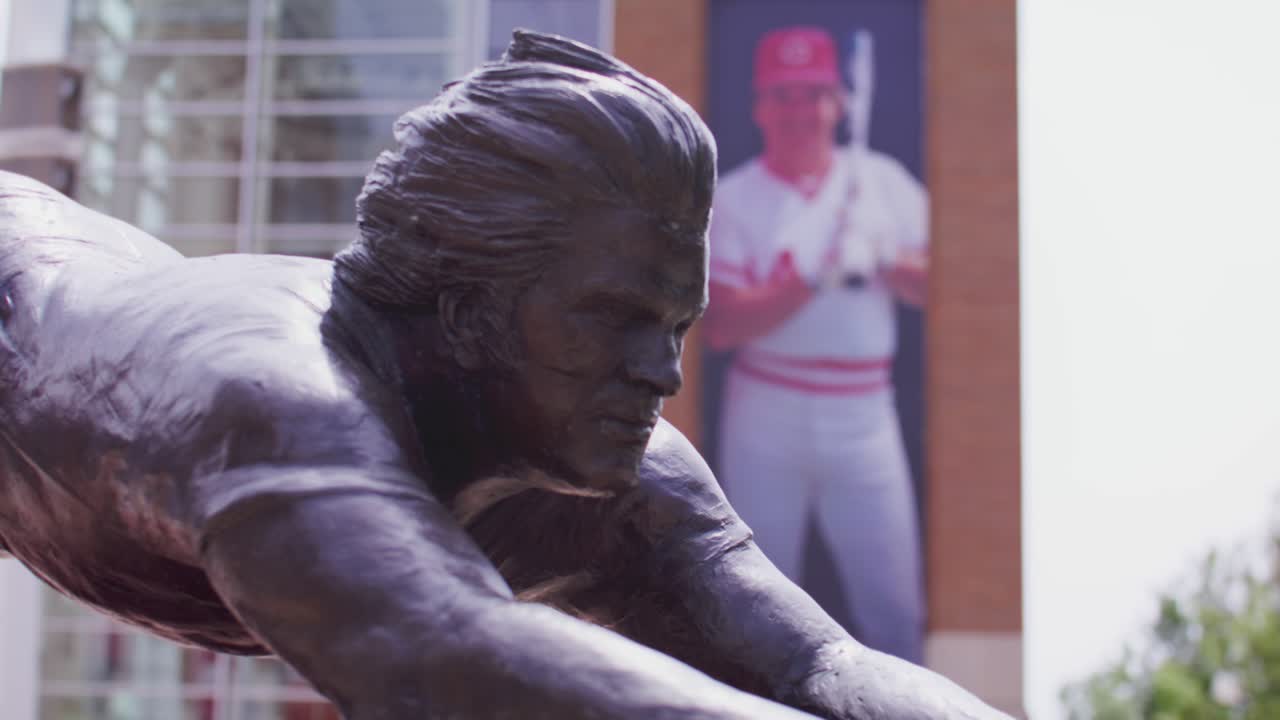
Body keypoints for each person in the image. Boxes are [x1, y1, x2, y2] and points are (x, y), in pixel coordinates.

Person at [0, 31, 1001, 720]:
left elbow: (817, 666)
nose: (660, 374)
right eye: (612, 320)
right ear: (469, 307)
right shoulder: (274, 396)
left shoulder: (615, 474)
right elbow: (440, 662)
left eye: (676, 324)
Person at [704, 26, 929, 664]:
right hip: (767, 410)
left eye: (813, 95)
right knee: (757, 605)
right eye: (783, 96)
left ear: (838, 103)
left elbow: (951, 283)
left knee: (894, 611)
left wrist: (885, 255)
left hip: (864, 414)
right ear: (759, 107)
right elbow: (722, 326)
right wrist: (812, 273)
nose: (800, 112)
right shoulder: (736, 197)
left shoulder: (879, 182)